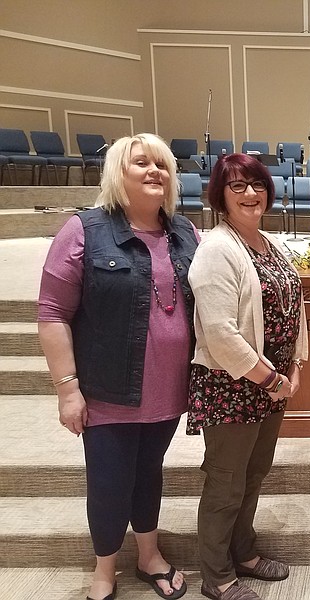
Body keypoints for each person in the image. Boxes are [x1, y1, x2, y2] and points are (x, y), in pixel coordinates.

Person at [38, 133, 198, 600]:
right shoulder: (84, 230)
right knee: (109, 481)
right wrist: (67, 389)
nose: (154, 172)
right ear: (116, 174)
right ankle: (104, 571)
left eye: (162, 165)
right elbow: (52, 312)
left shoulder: (185, 232)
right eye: (141, 163)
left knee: (149, 473)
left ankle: (149, 556)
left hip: (167, 390)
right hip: (109, 390)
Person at [187, 152, 308, 600]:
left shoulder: (268, 243)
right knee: (226, 483)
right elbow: (220, 333)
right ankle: (216, 576)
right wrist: (271, 378)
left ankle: (244, 551)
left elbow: (294, 306)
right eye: (237, 185)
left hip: (270, 384)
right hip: (232, 386)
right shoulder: (216, 249)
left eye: (256, 183)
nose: (250, 193)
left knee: (253, 476)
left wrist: (295, 361)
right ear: (220, 194)